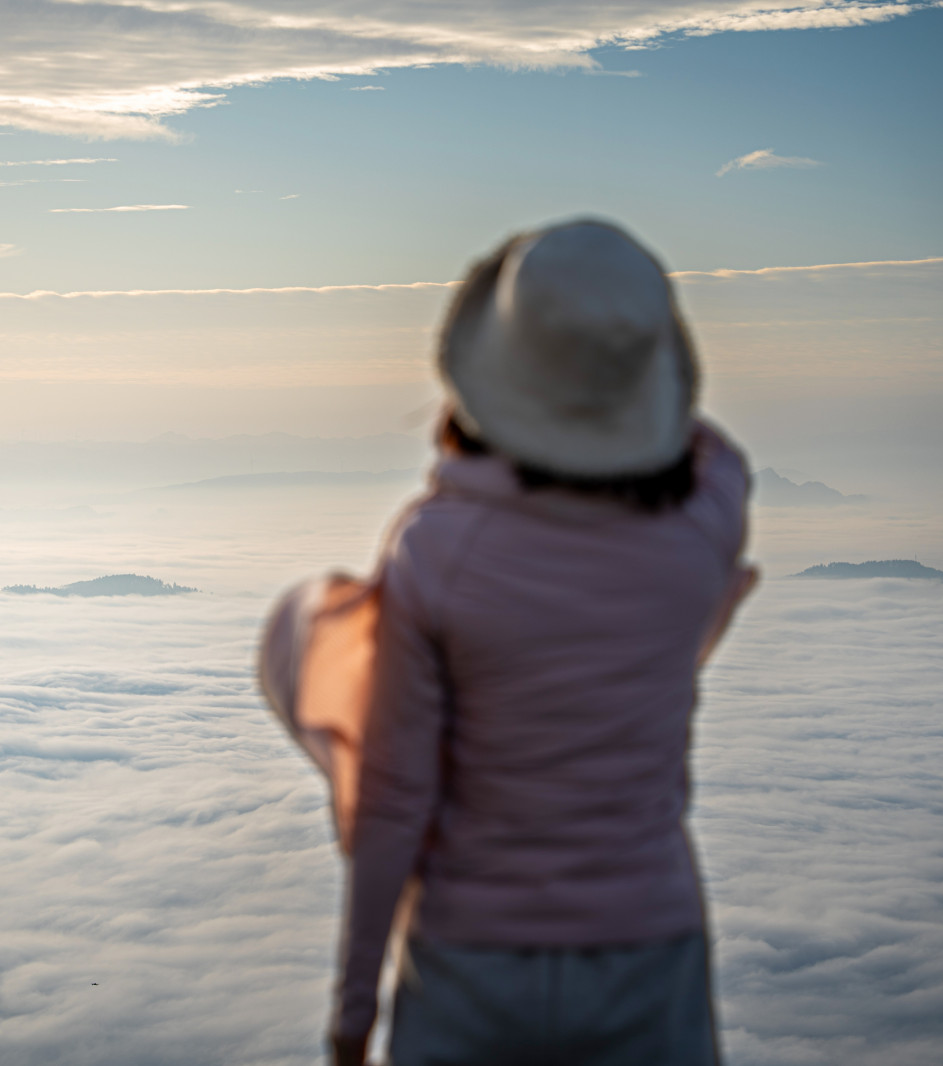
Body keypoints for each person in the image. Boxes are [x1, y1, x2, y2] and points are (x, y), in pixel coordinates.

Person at [270, 219, 756, 1066]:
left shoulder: (439, 554)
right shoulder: (703, 532)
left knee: (308, 620)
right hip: (652, 963)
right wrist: (620, 376)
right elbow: (712, 454)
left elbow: (393, 803)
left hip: (469, 974)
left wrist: (353, 1019)